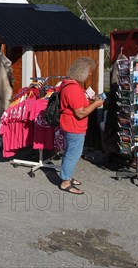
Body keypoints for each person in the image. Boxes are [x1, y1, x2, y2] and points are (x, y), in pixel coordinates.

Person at [58, 57, 104, 195]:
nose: (90, 74)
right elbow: (80, 113)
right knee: (73, 154)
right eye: (89, 71)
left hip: (68, 125)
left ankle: (66, 175)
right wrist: (96, 104)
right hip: (74, 126)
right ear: (82, 71)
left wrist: (88, 100)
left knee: (69, 152)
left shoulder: (68, 84)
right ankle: (65, 182)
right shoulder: (73, 89)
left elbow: (76, 105)